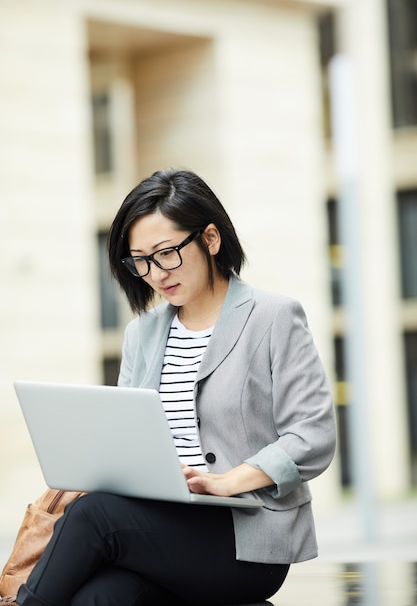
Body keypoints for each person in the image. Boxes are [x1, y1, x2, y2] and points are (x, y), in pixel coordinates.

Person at [16, 169, 336, 606]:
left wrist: (231, 480)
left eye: (166, 253)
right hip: (157, 527)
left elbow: (313, 435)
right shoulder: (142, 334)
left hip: (245, 536)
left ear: (210, 239)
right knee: (100, 596)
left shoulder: (273, 317)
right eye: (140, 260)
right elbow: (126, 437)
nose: (154, 273)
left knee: (93, 517)